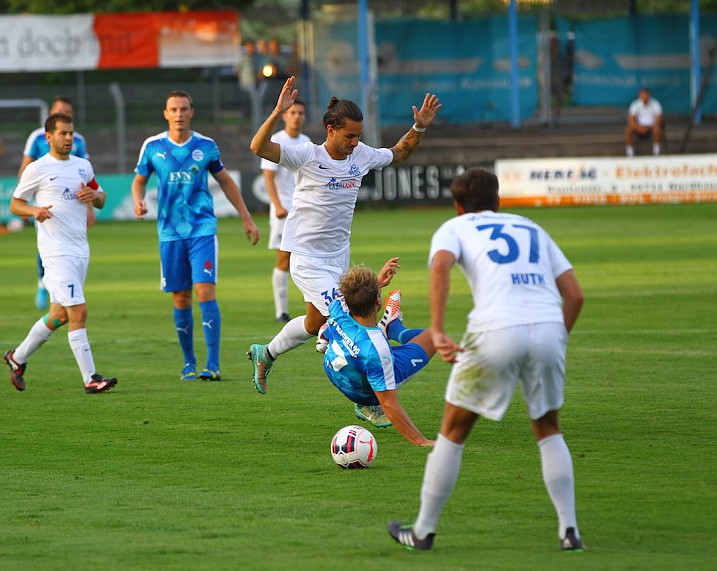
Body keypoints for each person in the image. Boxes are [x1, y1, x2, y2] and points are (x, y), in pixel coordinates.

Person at [387, 168, 586, 553]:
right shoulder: (530, 227)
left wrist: (438, 328)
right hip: (548, 327)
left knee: (453, 432)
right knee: (548, 428)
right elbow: (575, 296)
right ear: (498, 201)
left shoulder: (454, 227)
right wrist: (555, 338)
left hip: (495, 330)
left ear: (459, 207)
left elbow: (441, 266)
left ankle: (423, 531)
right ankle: (569, 531)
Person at [247, 75, 441, 428]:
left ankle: (267, 352)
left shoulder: (362, 155)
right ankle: (366, 401)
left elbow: (398, 153)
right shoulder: (306, 155)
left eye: (358, 136)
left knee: (314, 323)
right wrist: (277, 111)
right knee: (349, 325)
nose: (355, 143)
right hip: (305, 258)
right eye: (349, 135)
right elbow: (258, 147)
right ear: (330, 129)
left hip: (338, 258)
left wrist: (419, 128)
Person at [131, 90, 260, 382]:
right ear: (166, 114)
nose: (179, 114)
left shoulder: (206, 146)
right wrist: (138, 199)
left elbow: (225, 181)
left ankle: (212, 365)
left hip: (202, 229)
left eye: (184, 109)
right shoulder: (152, 147)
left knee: (205, 291)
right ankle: (189, 363)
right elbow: (139, 181)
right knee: (181, 297)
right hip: (170, 233)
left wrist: (246, 218)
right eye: (173, 109)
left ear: (192, 112)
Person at [4, 113, 116, 394]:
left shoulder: (82, 166)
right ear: (48, 137)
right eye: (63, 134)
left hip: (80, 250)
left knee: (60, 315)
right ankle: (91, 378)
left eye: (71, 133)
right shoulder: (37, 168)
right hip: (55, 252)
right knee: (79, 310)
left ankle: (17, 358)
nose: (68, 138)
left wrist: (94, 197)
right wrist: (34, 211)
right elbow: (15, 204)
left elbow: (101, 198)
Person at [322, 265, 437, 444]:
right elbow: (388, 404)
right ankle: (393, 327)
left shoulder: (336, 309)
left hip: (337, 373)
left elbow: (350, 296)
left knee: (354, 341)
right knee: (435, 337)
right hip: (365, 394)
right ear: (378, 301)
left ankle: (387, 327)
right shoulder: (377, 349)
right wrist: (420, 441)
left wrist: (375, 284)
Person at [19, 96, 92, 311]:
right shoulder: (37, 137)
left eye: (68, 112)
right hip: (44, 202)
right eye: (60, 111)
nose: (65, 114)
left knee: (70, 244)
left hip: (73, 204)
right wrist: (28, 204)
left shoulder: (79, 141)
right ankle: (43, 282)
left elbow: (86, 180)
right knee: (49, 241)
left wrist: (91, 206)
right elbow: (25, 167)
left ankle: (57, 289)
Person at [260, 99, 310, 323]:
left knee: (309, 259)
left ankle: (314, 308)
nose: (297, 116)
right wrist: (277, 205)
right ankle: (281, 311)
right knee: (284, 259)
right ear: (285, 116)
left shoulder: (307, 142)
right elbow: (268, 177)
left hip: (304, 210)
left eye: (300, 113)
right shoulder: (276, 141)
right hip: (283, 210)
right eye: (293, 112)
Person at [625, 87, 663, 156]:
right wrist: (638, 127)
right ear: (640, 95)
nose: (644, 96)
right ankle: (629, 152)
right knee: (628, 129)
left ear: (649, 95)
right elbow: (631, 119)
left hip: (651, 127)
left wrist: (648, 128)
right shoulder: (635, 104)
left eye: (646, 94)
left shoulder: (656, 104)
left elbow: (658, 120)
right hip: (639, 127)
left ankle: (656, 152)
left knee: (657, 129)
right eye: (643, 94)